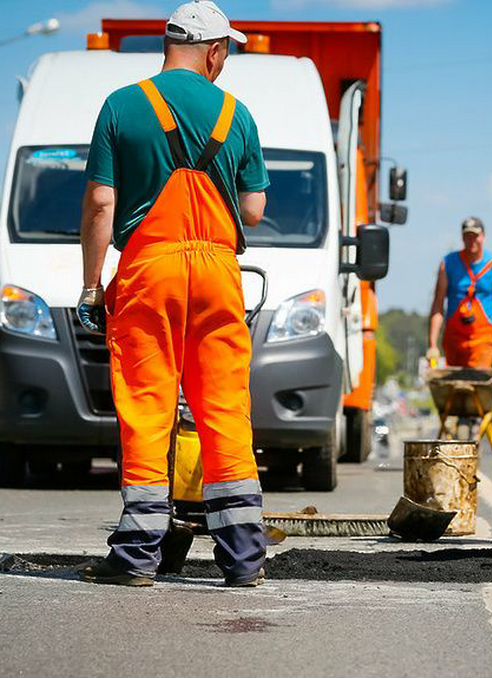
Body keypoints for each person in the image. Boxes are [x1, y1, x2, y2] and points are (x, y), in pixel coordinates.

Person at [77, 0, 269, 587]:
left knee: (146, 407)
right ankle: (242, 559)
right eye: (227, 52)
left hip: (148, 270)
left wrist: (92, 285)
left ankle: (137, 555)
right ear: (214, 51)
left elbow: (102, 204)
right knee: (224, 409)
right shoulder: (237, 115)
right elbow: (255, 211)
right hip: (217, 271)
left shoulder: (120, 106)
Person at [428, 217, 492, 369]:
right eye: (467, 236)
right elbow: (438, 305)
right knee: (455, 386)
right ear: (462, 237)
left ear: (483, 237)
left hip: (484, 339)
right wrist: (433, 345)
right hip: (455, 339)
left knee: (476, 384)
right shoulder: (448, 264)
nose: (472, 240)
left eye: (476, 236)